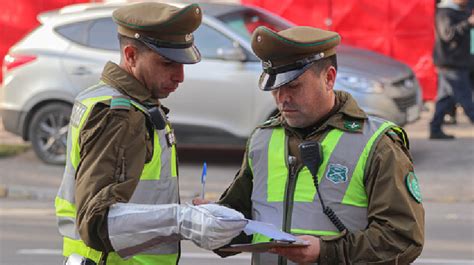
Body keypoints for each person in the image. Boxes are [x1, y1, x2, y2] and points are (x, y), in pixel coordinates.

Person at [195, 26, 425, 264]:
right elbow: (241, 221)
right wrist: (213, 222)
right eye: (275, 87)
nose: (282, 98)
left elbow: (402, 239)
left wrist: (326, 251)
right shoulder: (262, 139)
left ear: (329, 78)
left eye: (293, 86)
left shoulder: (377, 144)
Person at [55, 2, 247, 264]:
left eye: (183, 64)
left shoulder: (118, 100)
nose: (180, 76)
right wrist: (182, 220)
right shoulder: (120, 115)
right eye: (167, 63)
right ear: (131, 55)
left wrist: (189, 216)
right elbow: (96, 222)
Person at [430, 0, 474, 139]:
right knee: (465, 97)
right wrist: (468, 23)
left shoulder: (458, 10)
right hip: (452, 64)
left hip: (455, 62)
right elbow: (447, 34)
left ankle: (435, 129)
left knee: (445, 98)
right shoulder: (445, 12)